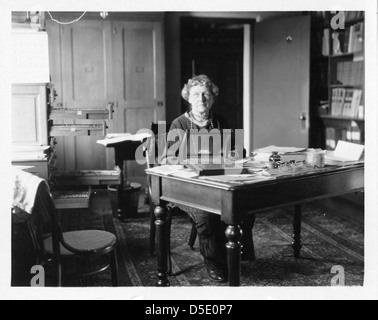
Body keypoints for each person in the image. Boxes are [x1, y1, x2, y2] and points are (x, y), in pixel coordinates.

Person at [164, 74, 255, 282]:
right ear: (188, 98)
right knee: (206, 213)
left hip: (217, 181)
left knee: (245, 207)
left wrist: (234, 154)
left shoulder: (220, 121)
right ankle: (213, 261)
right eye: (196, 94)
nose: (201, 99)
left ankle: (237, 255)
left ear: (212, 98)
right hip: (187, 186)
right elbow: (169, 157)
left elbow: (237, 149)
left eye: (206, 94)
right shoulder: (179, 124)